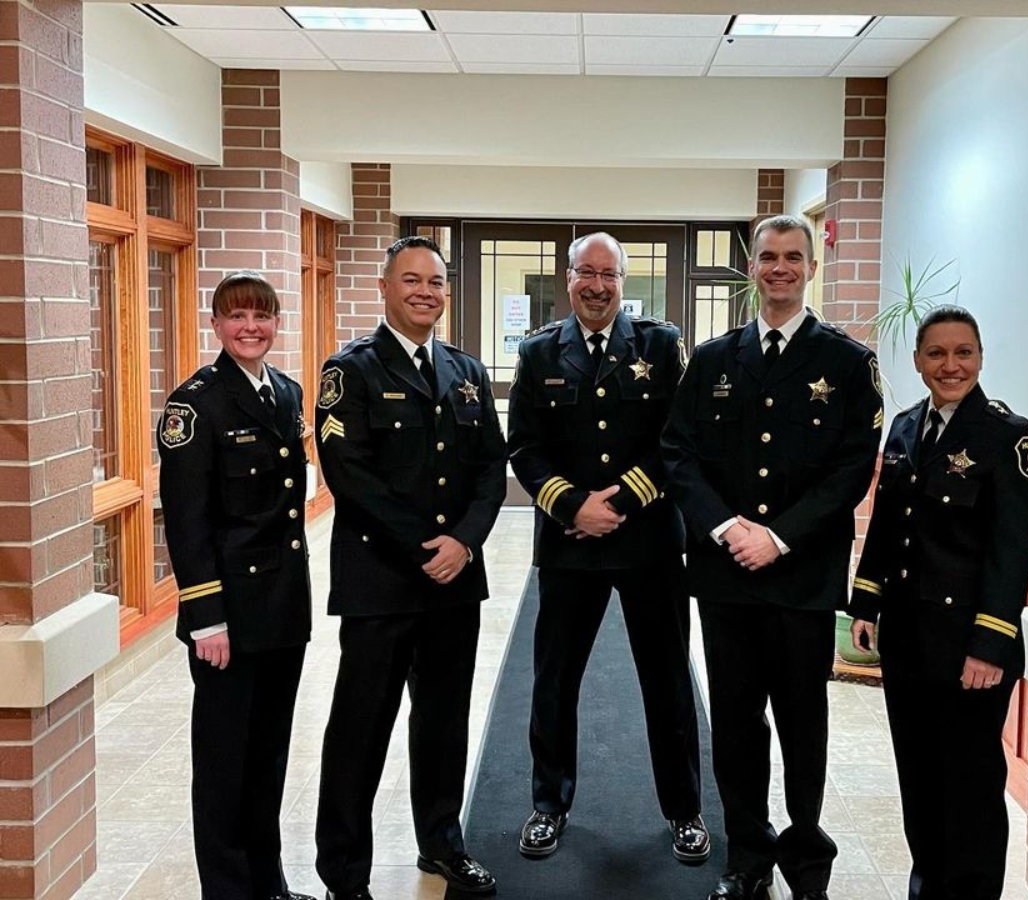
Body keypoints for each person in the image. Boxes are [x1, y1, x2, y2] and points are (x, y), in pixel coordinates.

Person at [661, 214, 883, 900]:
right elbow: (678, 452)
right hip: (728, 578)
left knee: (801, 721)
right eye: (768, 257)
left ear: (811, 267)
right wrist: (729, 528)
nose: (780, 267)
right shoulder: (714, 359)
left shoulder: (847, 363)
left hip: (803, 579)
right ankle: (747, 855)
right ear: (751, 267)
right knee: (733, 723)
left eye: (793, 256)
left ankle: (807, 857)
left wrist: (779, 536)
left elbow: (852, 467)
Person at [313, 236, 506, 899]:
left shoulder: (466, 371)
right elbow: (351, 476)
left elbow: (490, 466)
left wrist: (468, 543)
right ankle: (344, 874)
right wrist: (430, 546)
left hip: (455, 583)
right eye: (412, 279)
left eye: (436, 281)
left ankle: (442, 847)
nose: (426, 290)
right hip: (381, 582)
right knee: (360, 730)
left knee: (445, 722)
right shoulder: (352, 371)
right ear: (385, 288)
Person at [506, 231, 708, 865]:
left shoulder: (660, 345)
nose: (597, 285)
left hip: (648, 543)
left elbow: (677, 440)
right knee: (554, 681)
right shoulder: (539, 352)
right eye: (585, 273)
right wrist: (573, 506)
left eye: (609, 275)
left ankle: (684, 811)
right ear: (568, 278)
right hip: (569, 547)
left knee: (668, 681)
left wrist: (615, 503)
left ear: (625, 282)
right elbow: (524, 447)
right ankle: (548, 805)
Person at [849, 306, 1028, 900]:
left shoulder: (1010, 437)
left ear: (980, 358)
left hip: (970, 648)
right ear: (917, 361)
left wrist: (990, 646)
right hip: (910, 640)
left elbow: (1012, 555)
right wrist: (866, 603)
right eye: (937, 353)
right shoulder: (907, 426)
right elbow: (887, 526)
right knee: (920, 775)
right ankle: (927, 885)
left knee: (970, 786)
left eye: (963, 352)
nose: (950, 365)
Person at [157, 270, 314, 900]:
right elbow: (188, 523)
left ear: (277, 322)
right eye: (237, 316)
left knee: (268, 757)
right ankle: (227, 892)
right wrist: (207, 619)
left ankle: (267, 884)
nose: (251, 327)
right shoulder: (194, 405)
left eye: (262, 316)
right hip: (228, 619)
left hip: (280, 609)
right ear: (216, 324)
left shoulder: (286, 391)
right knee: (224, 764)